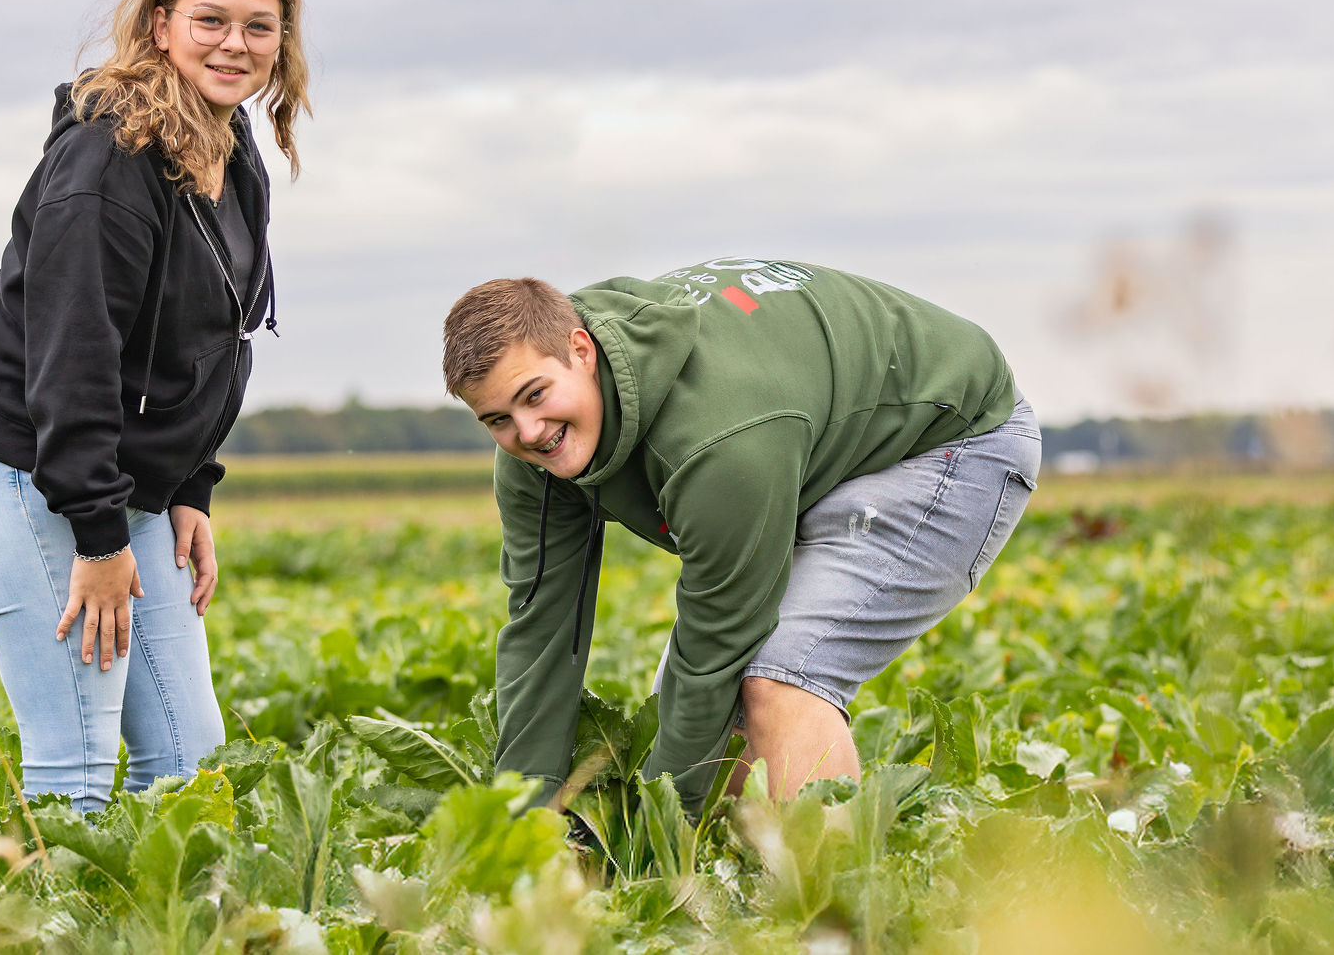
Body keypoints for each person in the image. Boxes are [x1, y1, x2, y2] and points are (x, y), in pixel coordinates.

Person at [442, 258, 1040, 814]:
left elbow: (715, 649)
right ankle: (736, 892)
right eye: (497, 419)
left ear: (580, 349)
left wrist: (657, 835)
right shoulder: (533, 453)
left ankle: (839, 905)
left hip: (953, 435)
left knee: (777, 679)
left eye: (535, 396)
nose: (527, 430)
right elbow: (542, 628)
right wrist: (527, 817)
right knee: (692, 712)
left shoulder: (717, 443)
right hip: (811, 440)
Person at [0, 0, 309, 810]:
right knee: (75, 770)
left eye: (260, 28)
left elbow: (210, 341)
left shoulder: (229, 148)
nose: (235, 45)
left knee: (191, 764)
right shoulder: (108, 162)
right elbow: (74, 361)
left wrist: (191, 488)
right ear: (160, 23)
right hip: (39, 483)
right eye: (211, 20)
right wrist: (100, 538)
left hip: (127, 490)